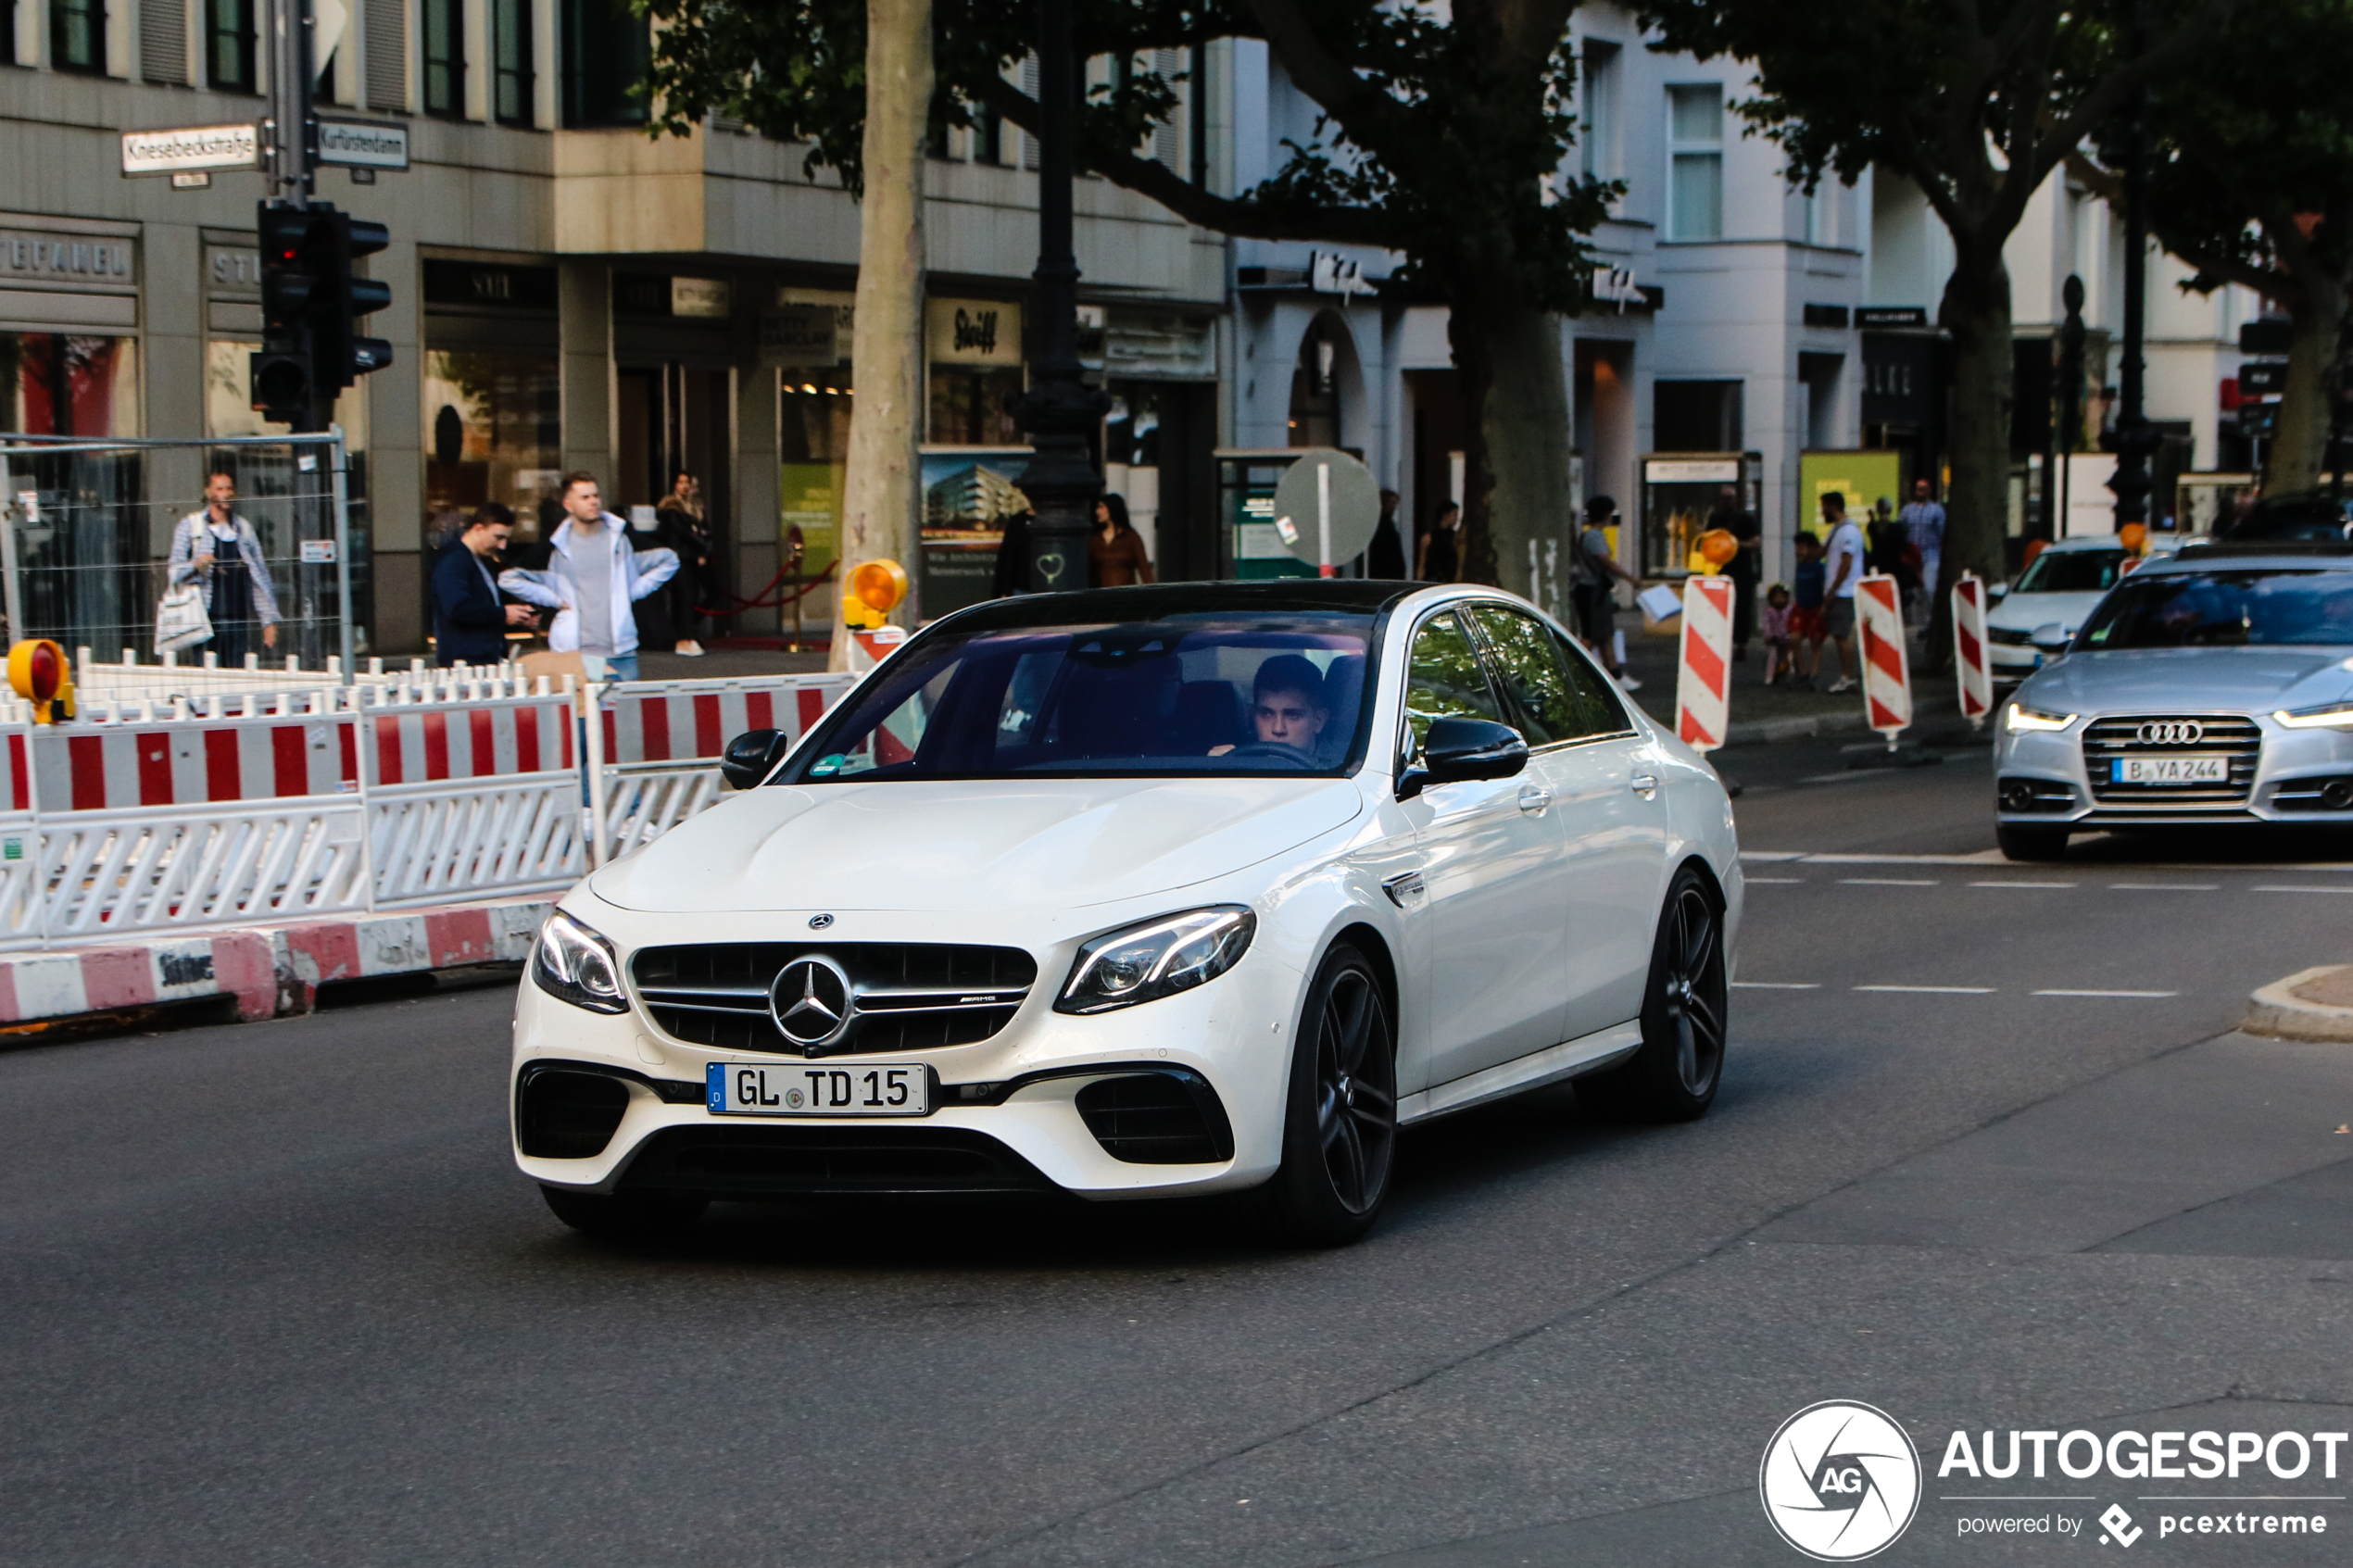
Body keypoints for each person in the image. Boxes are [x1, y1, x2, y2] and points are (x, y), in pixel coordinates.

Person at [497, 471, 677, 682]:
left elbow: (670, 560)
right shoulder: (554, 546)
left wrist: (631, 592)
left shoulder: (621, 537)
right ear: (568, 504)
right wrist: (553, 599)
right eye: (585, 497)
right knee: (579, 713)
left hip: (620, 651)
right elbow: (508, 579)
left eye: (595, 496)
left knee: (623, 711)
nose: (593, 502)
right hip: (574, 653)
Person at [168, 470, 281, 666]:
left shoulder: (243, 529)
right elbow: (174, 571)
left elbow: (259, 577)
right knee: (206, 676)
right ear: (209, 491)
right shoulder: (191, 526)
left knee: (236, 675)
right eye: (220, 489)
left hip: (238, 619)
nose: (226, 493)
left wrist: (268, 620)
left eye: (229, 488)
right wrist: (196, 565)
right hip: (204, 620)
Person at [431, 503, 535, 667]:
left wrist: (513, 614)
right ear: (478, 529)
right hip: (467, 663)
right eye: (498, 537)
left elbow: (479, 606)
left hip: (478, 659)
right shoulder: (454, 561)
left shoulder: (478, 560)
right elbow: (458, 609)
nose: (503, 545)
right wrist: (503, 614)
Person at [1572, 494, 1643, 691]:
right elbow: (1606, 562)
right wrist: (1631, 579)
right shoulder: (1594, 535)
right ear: (1605, 514)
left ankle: (1615, 675)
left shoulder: (1590, 534)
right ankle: (1571, 673)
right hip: (1592, 591)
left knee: (1604, 635)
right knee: (1591, 635)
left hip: (1594, 590)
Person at [1209, 654, 1327, 758]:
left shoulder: (1340, 768)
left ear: (1318, 721)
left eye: (1292, 715)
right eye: (1266, 714)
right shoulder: (1234, 759)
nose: (1278, 729)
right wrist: (1214, 773)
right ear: (1253, 716)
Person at [655, 470, 713, 657]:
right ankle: (685, 637)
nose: (684, 485)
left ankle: (687, 634)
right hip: (680, 556)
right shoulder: (671, 507)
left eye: (687, 482)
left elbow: (705, 530)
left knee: (691, 597)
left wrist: (702, 544)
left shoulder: (694, 506)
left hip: (690, 556)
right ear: (675, 485)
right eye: (681, 482)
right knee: (686, 597)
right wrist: (701, 545)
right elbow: (683, 534)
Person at [1819, 491, 1868, 694]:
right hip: (1839, 590)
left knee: (1841, 635)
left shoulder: (1848, 532)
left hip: (1844, 591)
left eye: (1824, 506)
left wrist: (1832, 591)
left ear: (1832, 506)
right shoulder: (1837, 530)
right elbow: (1823, 552)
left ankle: (1848, 676)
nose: (1822, 511)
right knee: (1839, 634)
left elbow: (1845, 565)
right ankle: (1847, 675)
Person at [1710, 486, 1762, 661]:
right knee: (1720, 609)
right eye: (1725, 498)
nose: (1728, 502)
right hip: (1721, 570)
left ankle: (1741, 644)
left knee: (1742, 609)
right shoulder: (1715, 518)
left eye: (1731, 498)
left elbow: (1755, 543)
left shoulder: (1746, 519)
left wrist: (1734, 544)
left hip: (1742, 570)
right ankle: (1723, 644)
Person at [1899, 478, 1947, 616]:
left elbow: (1941, 533)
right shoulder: (1907, 510)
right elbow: (1901, 530)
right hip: (1911, 556)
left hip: (1930, 554)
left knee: (1929, 588)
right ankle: (1916, 621)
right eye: (1918, 488)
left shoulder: (1937, 511)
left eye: (1924, 489)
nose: (1920, 492)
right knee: (1913, 590)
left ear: (1929, 491)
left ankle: (1930, 619)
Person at [1088, 493, 1155, 587]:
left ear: (1112, 508)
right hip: (1103, 595)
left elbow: (1144, 568)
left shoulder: (1130, 536)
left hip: (1126, 594)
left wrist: (1153, 592)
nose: (1097, 511)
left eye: (1101, 507)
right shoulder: (1096, 539)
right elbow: (1088, 569)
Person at [1789, 532, 1827, 687]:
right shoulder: (1799, 566)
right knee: (1794, 639)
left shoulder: (1819, 567)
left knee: (1815, 642)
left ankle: (1815, 674)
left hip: (1815, 609)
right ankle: (1803, 672)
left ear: (1812, 549)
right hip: (1801, 608)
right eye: (1797, 547)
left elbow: (1824, 587)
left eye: (1802, 547)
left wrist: (1824, 606)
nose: (1798, 551)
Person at [1416, 501, 1464, 583]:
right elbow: (1422, 564)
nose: (1456, 518)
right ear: (1445, 515)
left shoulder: (1456, 537)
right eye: (1454, 515)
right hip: (1432, 580)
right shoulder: (1428, 538)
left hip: (1449, 580)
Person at [1367, 488, 1408, 578]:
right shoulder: (1381, 524)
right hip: (1384, 571)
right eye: (1392, 503)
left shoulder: (1389, 523)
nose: (1394, 507)